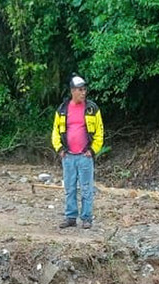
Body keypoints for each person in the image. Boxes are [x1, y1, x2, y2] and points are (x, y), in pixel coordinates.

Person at [51, 75, 104, 229]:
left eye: (84, 89)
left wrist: (93, 150)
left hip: (85, 156)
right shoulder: (62, 109)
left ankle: (87, 218)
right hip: (68, 156)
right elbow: (55, 132)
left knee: (87, 188)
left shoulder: (92, 109)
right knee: (70, 188)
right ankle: (71, 217)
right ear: (72, 91)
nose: (83, 93)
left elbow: (100, 131)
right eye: (80, 90)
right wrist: (60, 149)